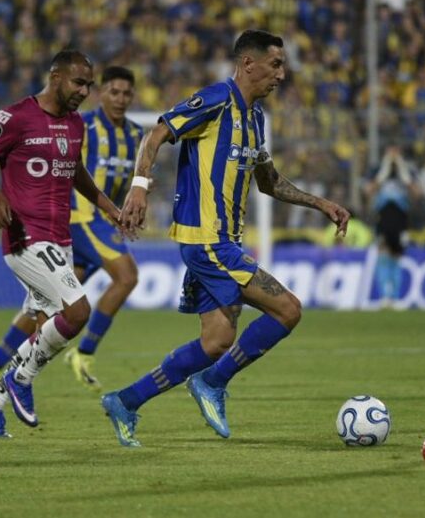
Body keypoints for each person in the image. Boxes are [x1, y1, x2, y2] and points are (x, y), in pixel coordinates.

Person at [100, 30, 350, 447]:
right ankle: (211, 384)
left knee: (216, 341)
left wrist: (319, 203)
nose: (282, 75)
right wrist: (140, 186)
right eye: (276, 64)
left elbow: (268, 181)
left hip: (222, 241)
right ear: (248, 63)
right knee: (287, 310)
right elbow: (157, 133)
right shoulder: (215, 100)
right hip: (207, 240)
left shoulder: (254, 119)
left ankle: (125, 401)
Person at [0, 49, 131, 438]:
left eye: (89, 85)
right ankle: (20, 381)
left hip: (60, 239)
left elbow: (77, 173)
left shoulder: (75, 124)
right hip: (25, 237)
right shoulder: (16, 116)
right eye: (79, 83)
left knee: (48, 330)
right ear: (55, 76)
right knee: (77, 311)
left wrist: (111, 208)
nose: (84, 91)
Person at [367, 145, 416, 308]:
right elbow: (369, 191)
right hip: (383, 219)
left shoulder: (407, 172)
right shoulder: (377, 170)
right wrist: (384, 170)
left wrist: (403, 170)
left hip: (401, 221)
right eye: (391, 152)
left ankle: (395, 298)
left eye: (396, 152)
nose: (394, 155)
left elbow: (416, 193)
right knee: (383, 256)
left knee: (396, 258)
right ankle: (384, 297)